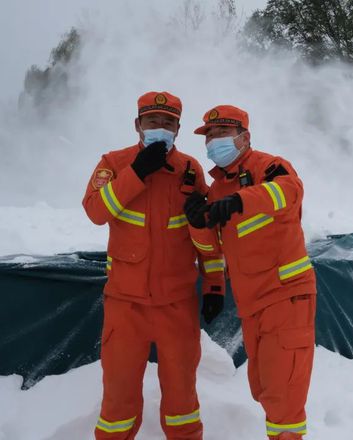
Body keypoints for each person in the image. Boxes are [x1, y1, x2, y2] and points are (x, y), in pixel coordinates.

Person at [83, 91, 224, 439]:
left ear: (177, 128)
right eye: (152, 121)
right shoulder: (114, 163)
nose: (160, 127)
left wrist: (215, 286)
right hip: (124, 304)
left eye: (168, 122)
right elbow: (95, 212)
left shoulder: (190, 170)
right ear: (137, 125)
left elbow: (207, 236)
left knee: (182, 399)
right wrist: (135, 172)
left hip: (177, 305)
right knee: (118, 398)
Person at [184, 105, 316, 439]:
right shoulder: (215, 190)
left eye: (222, 133)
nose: (214, 141)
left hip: (286, 296)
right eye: (209, 135)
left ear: (244, 137)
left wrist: (243, 200)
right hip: (252, 305)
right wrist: (198, 224)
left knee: (282, 395)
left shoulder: (269, 166)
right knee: (263, 388)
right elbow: (213, 247)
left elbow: (291, 191)